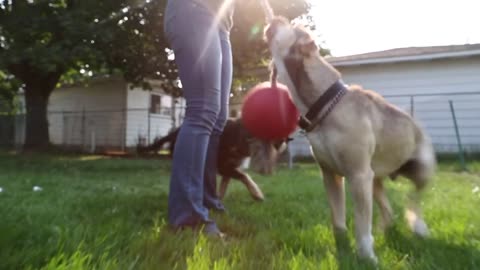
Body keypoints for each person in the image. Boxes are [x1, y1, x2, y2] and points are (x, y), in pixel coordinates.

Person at [163, 0, 235, 237]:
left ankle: (206, 198)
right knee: (203, 110)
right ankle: (187, 217)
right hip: (194, 10)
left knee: (218, 118)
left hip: (222, 25)